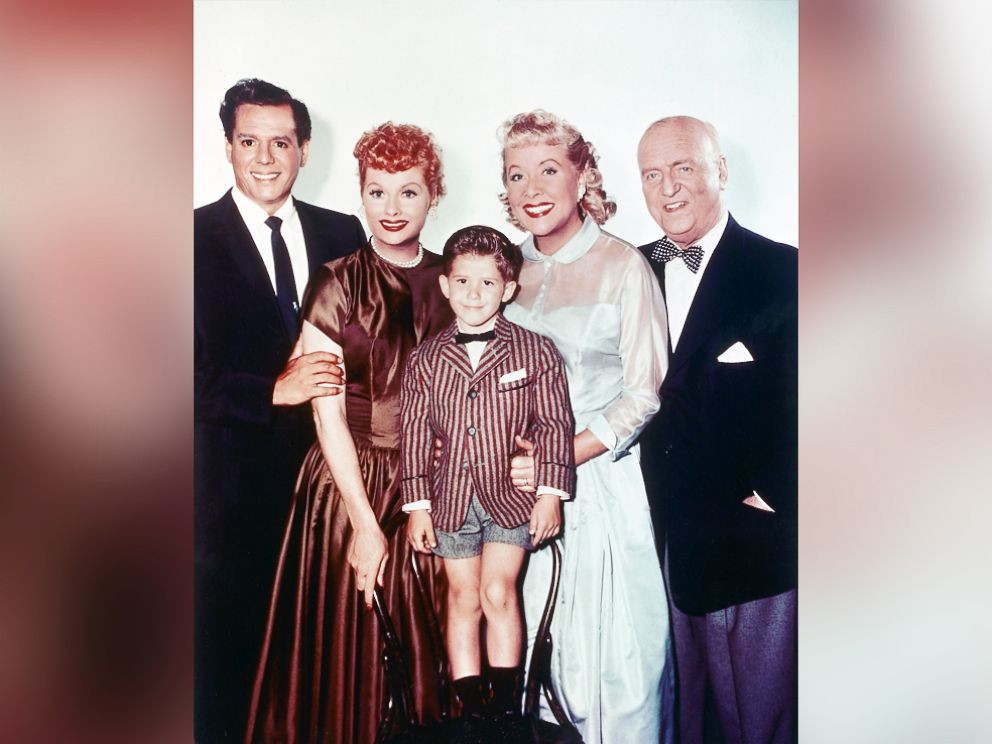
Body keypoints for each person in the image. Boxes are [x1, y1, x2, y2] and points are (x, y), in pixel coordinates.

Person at [245, 122, 454, 744]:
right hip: (349, 489)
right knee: (353, 655)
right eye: (377, 191)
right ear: (360, 193)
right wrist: (364, 523)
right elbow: (325, 412)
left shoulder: (456, 281)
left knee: (434, 654)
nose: (392, 208)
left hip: (433, 486)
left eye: (408, 192)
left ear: (433, 196)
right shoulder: (337, 279)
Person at [194, 78, 364, 743]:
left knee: (323, 676)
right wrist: (272, 390)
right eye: (249, 141)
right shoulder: (183, 238)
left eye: (281, 142)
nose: (265, 158)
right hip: (226, 504)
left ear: (305, 149)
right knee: (226, 681)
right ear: (228, 147)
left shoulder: (344, 232)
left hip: (331, 493)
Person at [498, 110, 676, 744]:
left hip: (600, 487)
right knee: (522, 653)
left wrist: (562, 457)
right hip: (514, 492)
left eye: (549, 170)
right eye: (517, 176)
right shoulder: (502, 270)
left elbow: (644, 395)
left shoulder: (623, 265)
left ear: (582, 177)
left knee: (610, 669)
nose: (533, 189)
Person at [635, 116, 798, 744]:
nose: (668, 188)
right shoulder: (633, 269)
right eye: (652, 174)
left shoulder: (785, 270)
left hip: (752, 544)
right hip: (659, 543)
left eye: (684, 168)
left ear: (721, 171)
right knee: (682, 718)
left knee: (759, 723)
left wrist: (777, 492)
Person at [400, 225, 576, 736]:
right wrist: (417, 505)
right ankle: (472, 710)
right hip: (449, 499)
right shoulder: (426, 359)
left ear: (509, 288)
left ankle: (504, 709)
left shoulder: (535, 351)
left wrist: (549, 494)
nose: (474, 295)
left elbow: (554, 427)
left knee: (499, 593)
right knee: (462, 598)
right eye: (463, 282)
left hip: (511, 500)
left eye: (487, 284)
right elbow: (413, 435)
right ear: (445, 286)